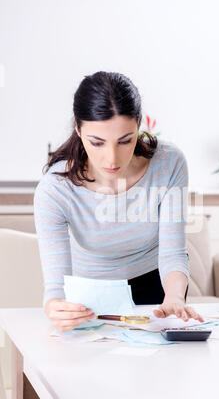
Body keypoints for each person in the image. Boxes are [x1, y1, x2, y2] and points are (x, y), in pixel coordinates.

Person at [34, 71, 204, 332]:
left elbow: (172, 253)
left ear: (138, 125)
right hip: (90, 296)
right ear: (78, 129)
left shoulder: (169, 164)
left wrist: (174, 298)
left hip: (156, 288)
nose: (112, 159)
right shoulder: (55, 189)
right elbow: (56, 287)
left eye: (125, 140)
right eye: (97, 142)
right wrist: (55, 307)